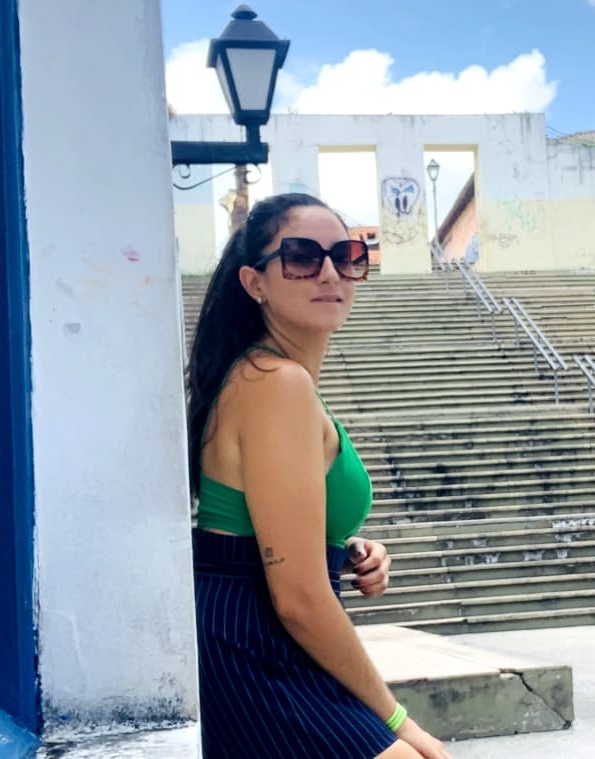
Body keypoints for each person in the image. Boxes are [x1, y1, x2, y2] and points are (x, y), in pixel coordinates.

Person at [186, 192, 449, 759]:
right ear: (255, 282)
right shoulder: (275, 384)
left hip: (254, 626)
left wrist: (341, 547)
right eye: (303, 256)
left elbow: (261, 528)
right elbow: (299, 598)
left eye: (347, 254)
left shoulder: (271, 378)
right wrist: (400, 720)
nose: (330, 271)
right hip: (254, 643)